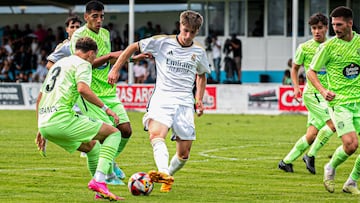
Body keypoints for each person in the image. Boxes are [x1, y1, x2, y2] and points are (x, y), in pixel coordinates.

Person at [108, 10, 210, 193]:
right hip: (162, 98)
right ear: (180, 26)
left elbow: (201, 75)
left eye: (192, 33)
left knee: (184, 153)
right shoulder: (162, 42)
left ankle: (167, 175)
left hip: (185, 103)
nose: (187, 36)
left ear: (197, 31)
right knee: (156, 135)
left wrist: (199, 99)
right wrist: (116, 69)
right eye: (185, 30)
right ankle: (162, 171)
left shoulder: (199, 52)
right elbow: (133, 47)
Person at [70, 0, 149, 187]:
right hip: (91, 92)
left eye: (101, 16)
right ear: (86, 17)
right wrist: (110, 56)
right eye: (95, 16)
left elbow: (111, 60)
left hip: (109, 90)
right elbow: (82, 63)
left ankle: (110, 163)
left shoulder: (105, 34)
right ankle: (106, 175)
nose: (99, 20)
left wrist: (130, 58)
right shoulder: (80, 35)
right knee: (109, 133)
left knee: (126, 130)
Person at [35, 37, 124, 201]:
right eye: (94, 56)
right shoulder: (83, 64)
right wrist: (107, 109)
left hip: (46, 123)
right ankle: (99, 181)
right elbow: (83, 89)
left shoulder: (60, 64)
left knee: (92, 147)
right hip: (61, 119)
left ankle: (100, 191)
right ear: (91, 53)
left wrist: (40, 129)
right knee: (114, 133)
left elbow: (40, 98)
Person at [307, 6, 360, 194]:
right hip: (339, 103)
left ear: (350, 23)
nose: (335, 28)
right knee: (351, 144)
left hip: (359, 102)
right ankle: (330, 167)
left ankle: (352, 182)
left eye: (339, 24)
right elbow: (310, 71)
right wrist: (322, 91)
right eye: (333, 25)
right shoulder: (327, 47)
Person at [278, 13, 336, 175]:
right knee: (334, 123)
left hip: (328, 95)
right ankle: (310, 155)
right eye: (314, 28)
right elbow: (295, 68)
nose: (317, 31)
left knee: (311, 134)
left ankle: (286, 161)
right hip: (313, 94)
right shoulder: (304, 47)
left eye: (320, 28)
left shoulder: (333, 45)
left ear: (326, 28)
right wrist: (296, 87)